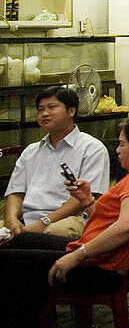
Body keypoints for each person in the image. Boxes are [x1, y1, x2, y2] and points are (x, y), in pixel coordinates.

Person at [0, 115, 129, 328]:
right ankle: (45, 320)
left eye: (122, 144)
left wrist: (76, 256)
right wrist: (87, 200)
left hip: (100, 270)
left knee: (7, 263)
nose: (117, 150)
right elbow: (112, 221)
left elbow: (128, 225)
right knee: (24, 239)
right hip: (105, 257)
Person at [3, 86, 109, 239]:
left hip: (70, 219)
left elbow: (82, 198)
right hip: (27, 219)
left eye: (51, 107)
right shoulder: (31, 151)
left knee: (56, 232)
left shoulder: (92, 148)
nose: (44, 114)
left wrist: (44, 222)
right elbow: (16, 192)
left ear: (71, 111)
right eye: (40, 109)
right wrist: (11, 220)